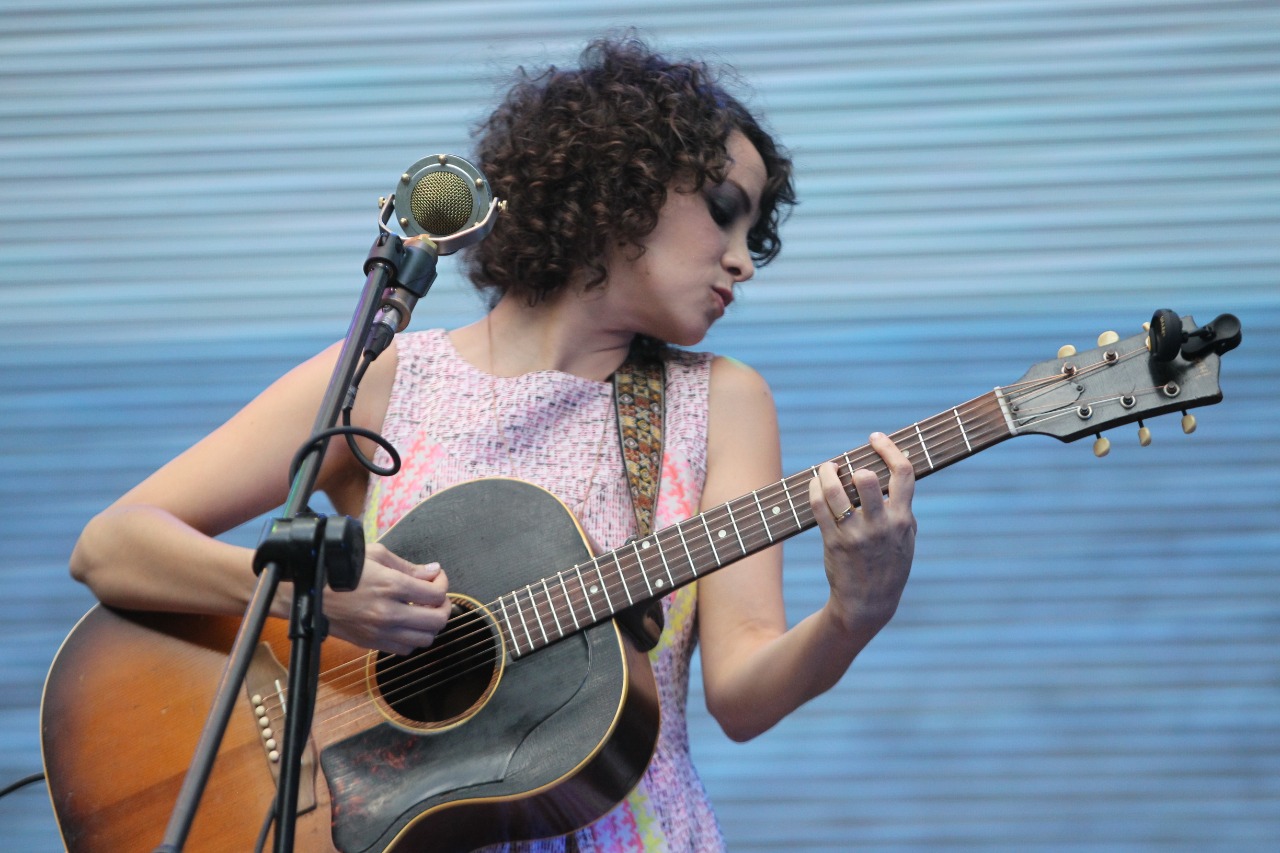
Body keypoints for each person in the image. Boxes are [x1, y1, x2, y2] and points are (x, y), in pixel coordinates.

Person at [69, 35, 917, 851]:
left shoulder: (720, 400)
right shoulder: (385, 378)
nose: (743, 261)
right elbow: (111, 545)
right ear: (623, 186)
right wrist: (311, 597)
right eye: (724, 214)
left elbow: (742, 697)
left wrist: (856, 612)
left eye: (751, 233)